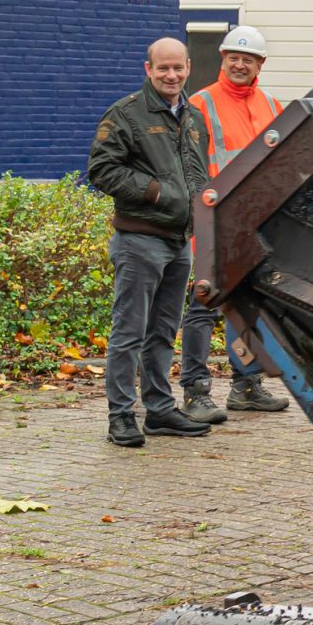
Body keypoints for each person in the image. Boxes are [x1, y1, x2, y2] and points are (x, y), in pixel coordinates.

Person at [86, 40, 213, 448]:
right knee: (129, 332)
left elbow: (197, 174)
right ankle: (121, 415)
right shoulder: (126, 114)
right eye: (163, 69)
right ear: (148, 69)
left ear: (189, 67)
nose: (171, 75)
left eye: (177, 68)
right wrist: (157, 192)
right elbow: (102, 169)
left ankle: (159, 410)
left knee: (163, 331)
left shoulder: (194, 118)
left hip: (180, 242)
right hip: (140, 239)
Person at [178, 27, 289, 421]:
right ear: (223, 59)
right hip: (212, 222)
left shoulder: (274, 107)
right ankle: (195, 388)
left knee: (248, 306)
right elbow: (186, 167)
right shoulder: (198, 104)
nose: (239, 65)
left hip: (254, 224)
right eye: (233, 58)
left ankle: (246, 384)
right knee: (205, 305)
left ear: (260, 64)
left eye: (248, 59)